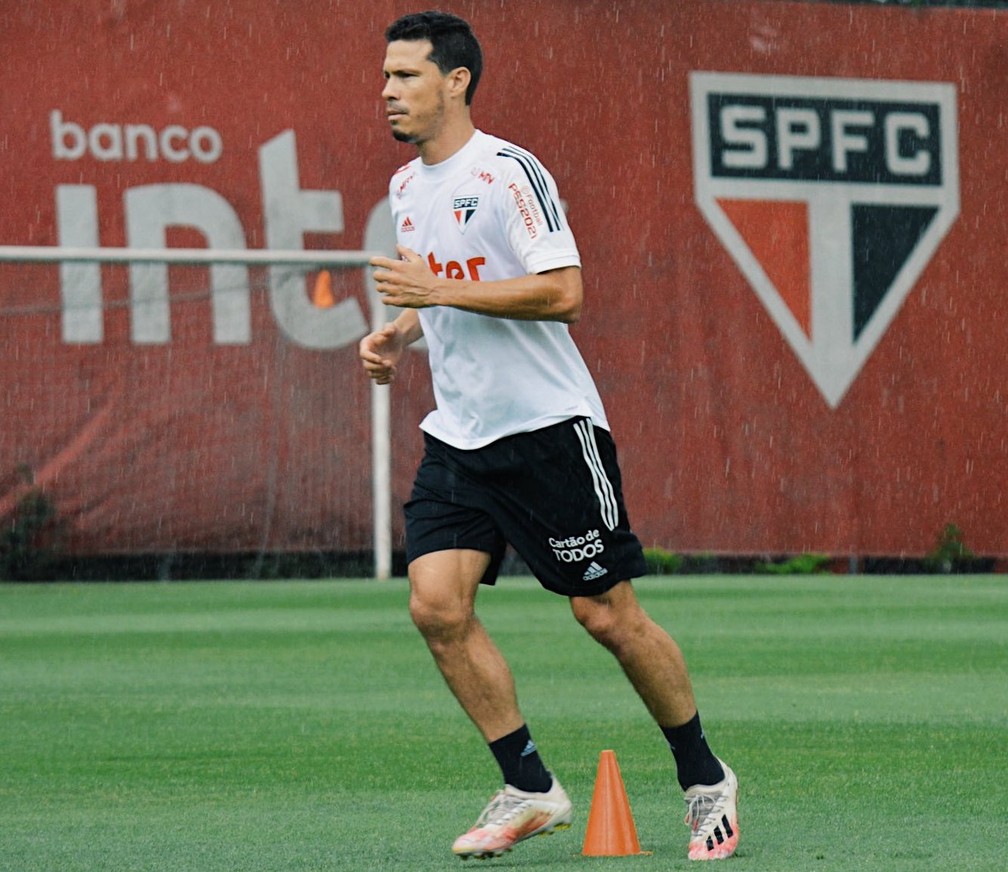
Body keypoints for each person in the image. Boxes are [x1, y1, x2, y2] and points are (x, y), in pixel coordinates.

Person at [359, 10, 739, 863]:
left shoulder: (506, 172)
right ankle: (530, 789)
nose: (388, 92)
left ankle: (705, 776)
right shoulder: (405, 188)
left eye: (406, 76)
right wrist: (401, 329)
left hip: (549, 433)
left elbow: (562, 291)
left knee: (605, 615)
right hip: (460, 437)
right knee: (435, 607)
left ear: (455, 82)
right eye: (385, 77)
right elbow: (441, 289)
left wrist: (438, 294)